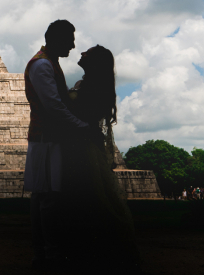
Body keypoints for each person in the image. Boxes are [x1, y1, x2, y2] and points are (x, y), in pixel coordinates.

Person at [62, 45, 139, 269]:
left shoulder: (91, 87)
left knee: (89, 196)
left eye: (87, 52)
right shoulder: (94, 85)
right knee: (94, 197)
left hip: (84, 146)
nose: (81, 52)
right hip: (86, 143)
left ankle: (95, 252)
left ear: (94, 61)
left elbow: (80, 114)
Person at [23, 20, 92, 269]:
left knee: (42, 196)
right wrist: (81, 126)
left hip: (46, 137)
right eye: (70, 39)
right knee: (48, 198)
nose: (74, 45)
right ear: (57, 39)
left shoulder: (48, 63)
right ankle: (48, 254)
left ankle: (43, 252)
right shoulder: (42, 64)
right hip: (46, 138)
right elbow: (53, 106)